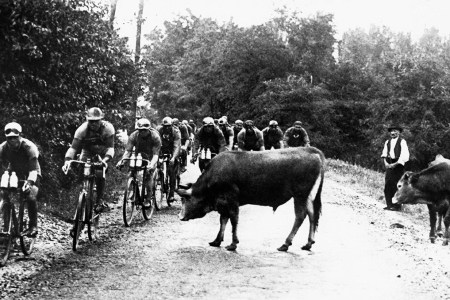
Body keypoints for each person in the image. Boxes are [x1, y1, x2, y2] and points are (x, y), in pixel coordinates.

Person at [62, 107, 115, 212]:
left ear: (101, 120)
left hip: (102, 151)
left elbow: (110, 148)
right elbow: (73, 148)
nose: (93, 124)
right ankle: (83, 193)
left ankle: (99, 200)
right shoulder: (82, 130)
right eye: (91, 121)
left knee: (100, 172)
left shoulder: (108, 128)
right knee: (81, 168)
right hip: (88, 150)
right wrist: (67, 161)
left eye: (96, 121)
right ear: (87, 120)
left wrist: (105, 160)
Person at [0, 122, 41, 236]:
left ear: (20, 136)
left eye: (15, 137)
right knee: (4, 193)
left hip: (32, 172)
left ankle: (33, 226)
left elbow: (33, 170)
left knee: (31, 195)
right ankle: (6, 227)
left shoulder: (29, 147)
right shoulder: (3, 148)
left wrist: (29, 182)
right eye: (9, 138)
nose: (12, 140)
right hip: (15, 172)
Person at [116, 118, 161, 207]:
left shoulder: (155, 136)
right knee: (131, 171)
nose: (142, 132)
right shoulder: (134, 135)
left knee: (148, 175)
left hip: (151, 157)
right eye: (140, 130)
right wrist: (122, 161)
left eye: (144, 130)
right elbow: (128, 151)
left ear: (148, 129)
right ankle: (134, 191)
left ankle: (148, 199)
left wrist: (151, 165)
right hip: (139, 155)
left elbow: (156, 154)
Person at [381, 124, 410, 211]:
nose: (393, 133)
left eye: (395, 131)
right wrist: (386, 163)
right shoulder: (387, 142)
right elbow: (384, 154)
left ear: (399, 133)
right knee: (388, 184)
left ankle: (397, 206)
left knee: (396, 185)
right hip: (389, 164)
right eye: (392, 131)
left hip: (398, 165)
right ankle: (389, 204)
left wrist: (396, 164)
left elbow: (404, 155)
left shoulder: (402, 141)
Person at [157, 117, 181, 203]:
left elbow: (177, 146)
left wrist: (173, 158)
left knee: (172, 171)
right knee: (157, 165)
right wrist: (157, 155)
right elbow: (156, 144)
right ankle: (158, 178)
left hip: (172, 150)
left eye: (168, 126)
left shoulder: (176, 132)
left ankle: (171, 194)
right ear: (162, 126)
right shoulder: (159, 131)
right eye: (165, 126)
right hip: (162, 149)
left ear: (171, 125)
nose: (167, 128)